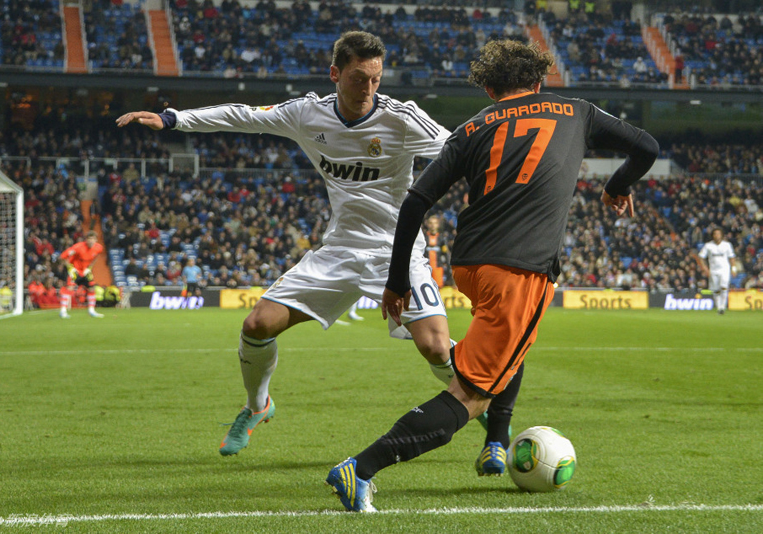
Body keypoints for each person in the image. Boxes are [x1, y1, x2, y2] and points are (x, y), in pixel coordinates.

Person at [326, 39, 659, 512]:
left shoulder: (472, 127)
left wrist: (397, 281)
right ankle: (361, 468)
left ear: (488, 87)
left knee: (509, 345)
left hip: (470, 267)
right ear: (540, 81)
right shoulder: (577, 111)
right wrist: (617, 185)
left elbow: (416, 202)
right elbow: (647, 146)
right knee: (470, 394)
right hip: (519, 270)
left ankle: (498, 442)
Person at [116, 31, 459, 457]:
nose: (368, 89)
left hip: (397, 250)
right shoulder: (306, 114)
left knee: (435, 348)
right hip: (338, 250)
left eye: (375, 79)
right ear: (335, 74)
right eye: (358, 78)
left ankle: (484, 405)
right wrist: (174, 119)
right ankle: (257, 406)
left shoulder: (401, 118)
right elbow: (242, 115)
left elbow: (460, 147)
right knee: (257, 324)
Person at [59, 231, 105, 319]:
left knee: (91, 288)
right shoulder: (78, 247)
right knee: (70, 288)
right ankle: (63, 311)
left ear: (96, 240)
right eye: (89, 239)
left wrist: (90, 268)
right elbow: (63, 256)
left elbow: (96, 257)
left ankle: (91, 311)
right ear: (86, 240)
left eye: (93, 239)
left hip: (85, 271)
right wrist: (70, 268)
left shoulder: (98, 248)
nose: (91, 241)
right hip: (75, 270)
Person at [698, 228, 736, 314]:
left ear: (722, 235)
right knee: (716, 289)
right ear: (713, 235)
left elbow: (732, 257)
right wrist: (705, 268)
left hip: (725, 269)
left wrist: (734, 268)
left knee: (724, 286)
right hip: (713, 270)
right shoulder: (708, 245)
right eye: (715, 234)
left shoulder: (727, 245)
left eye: (718, 234)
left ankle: (723, 306)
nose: (717, 236)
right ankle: (719, 307)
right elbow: (701, 257)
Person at [424, 215, 448, 287]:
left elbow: (445, 253)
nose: (433, 225)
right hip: (426, 268)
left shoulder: (441, 238)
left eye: (434, 223)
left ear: (437, 225)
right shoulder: (424, 238)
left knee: (439, 287)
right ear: (428, 224)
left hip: (438, 268)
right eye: (431, 223)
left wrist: (446, 264)